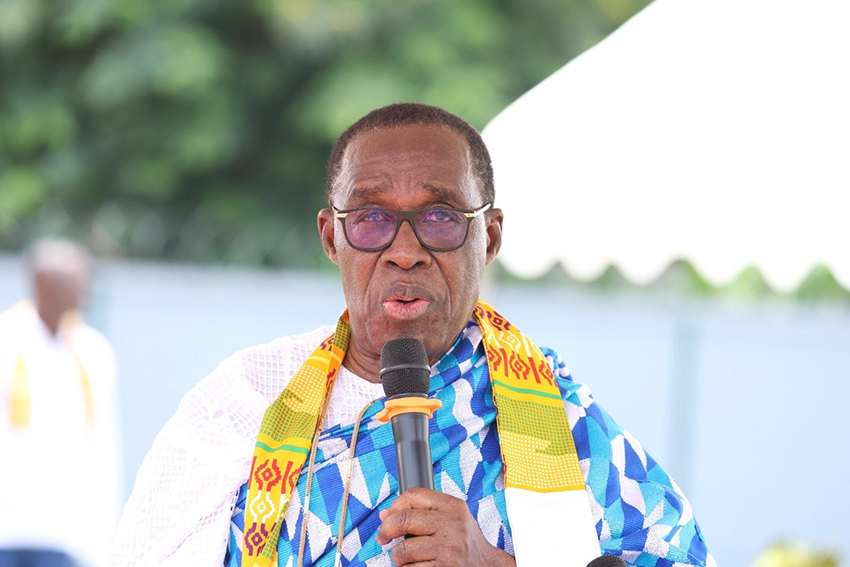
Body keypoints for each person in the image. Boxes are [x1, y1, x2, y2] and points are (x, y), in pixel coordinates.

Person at [111, 103, 715, 567]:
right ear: (331, 237)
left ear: (490, 238)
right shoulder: (242, 401)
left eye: (440, 218)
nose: (405, 251)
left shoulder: (559, 418)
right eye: (371, 218)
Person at [0, 239, 122, 567]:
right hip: (6, 527)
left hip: (64, 530)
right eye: (72, 283)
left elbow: (104, 445)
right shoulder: (6, 340)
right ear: (42, 285)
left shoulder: (92, 352)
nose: (82, 292)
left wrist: (103, 537)